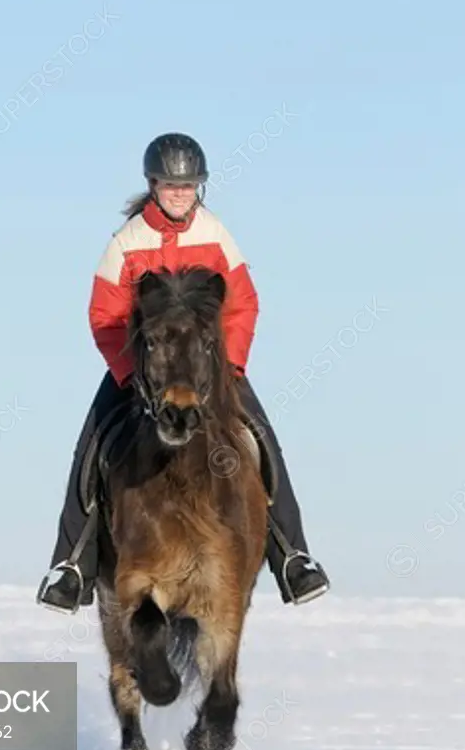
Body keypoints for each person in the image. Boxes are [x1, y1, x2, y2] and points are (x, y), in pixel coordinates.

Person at [36, 133, 331, 613]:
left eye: (189, 185)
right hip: (145, 371)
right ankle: (70, 565)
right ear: (153, 184)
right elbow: (104, 316)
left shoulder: (214, 235)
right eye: (171, 185)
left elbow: (244, 303)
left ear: (200, 187)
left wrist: (228, 366)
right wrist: (134, 375)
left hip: (207, 368)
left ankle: (293, 556)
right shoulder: (127, 243)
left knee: (262, 440)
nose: (180, 193)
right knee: (91, 447)